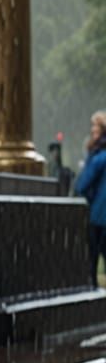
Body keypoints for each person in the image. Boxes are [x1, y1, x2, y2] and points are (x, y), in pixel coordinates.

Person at [76, 111, 106, 288]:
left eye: (95, 126)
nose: (92, 130)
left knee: (93, 256)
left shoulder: (98, 157)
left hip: (98, 215)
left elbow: (82, 184)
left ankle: (93, 290)